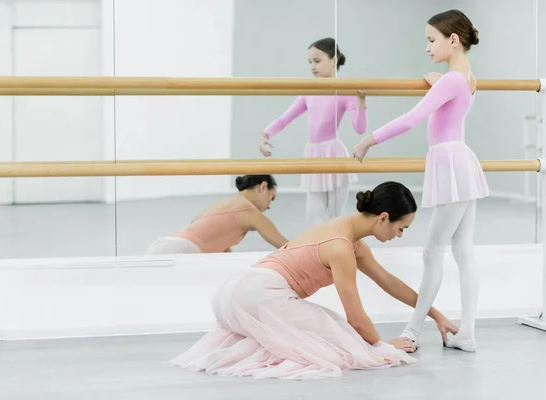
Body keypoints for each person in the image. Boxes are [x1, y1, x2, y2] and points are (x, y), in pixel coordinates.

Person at [170, 181, 459, 380]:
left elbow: (389, 282)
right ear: (383, 218)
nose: (400, 235)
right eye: (402, 228)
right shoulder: (341, 245)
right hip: (261, 294)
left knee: (326, 333)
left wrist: (436, 315)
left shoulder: (346, 236)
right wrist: (385, 347)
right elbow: (356, 319)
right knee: (344, 339)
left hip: (234, 294)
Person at [353, 10, 489, 352]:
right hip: (460, 161)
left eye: (432, 40)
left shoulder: (452, 81)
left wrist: (369, 139)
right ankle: (467, 333)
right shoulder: (467, 78)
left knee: (434, 251)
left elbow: (412, 118)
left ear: (453, 40)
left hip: (450, 163)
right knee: (462, 248)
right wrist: (437, 83)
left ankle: (413, 328)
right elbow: (451, 102)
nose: (427, 47)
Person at [259, 37, 367, 226]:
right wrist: (266, 134)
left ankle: (335, 250)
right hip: (313, 154)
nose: (312, 66)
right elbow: (285, 118)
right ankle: (317, 251)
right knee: (314, 215)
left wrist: (361, 103)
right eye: (309, 62)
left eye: (317, 61)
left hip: (334, 154)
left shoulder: (344, 91)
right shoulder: (309, 91)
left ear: (334, 60)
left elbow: (359, 128)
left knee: (335, 214)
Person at [144, 175, 288, 254]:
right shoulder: (248, 211)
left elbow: (223, 252)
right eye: (272, 197)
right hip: (181, 252)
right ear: (263, 187)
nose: (269, 206)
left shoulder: (227, 204)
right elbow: (284, 245)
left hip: (165, 247)